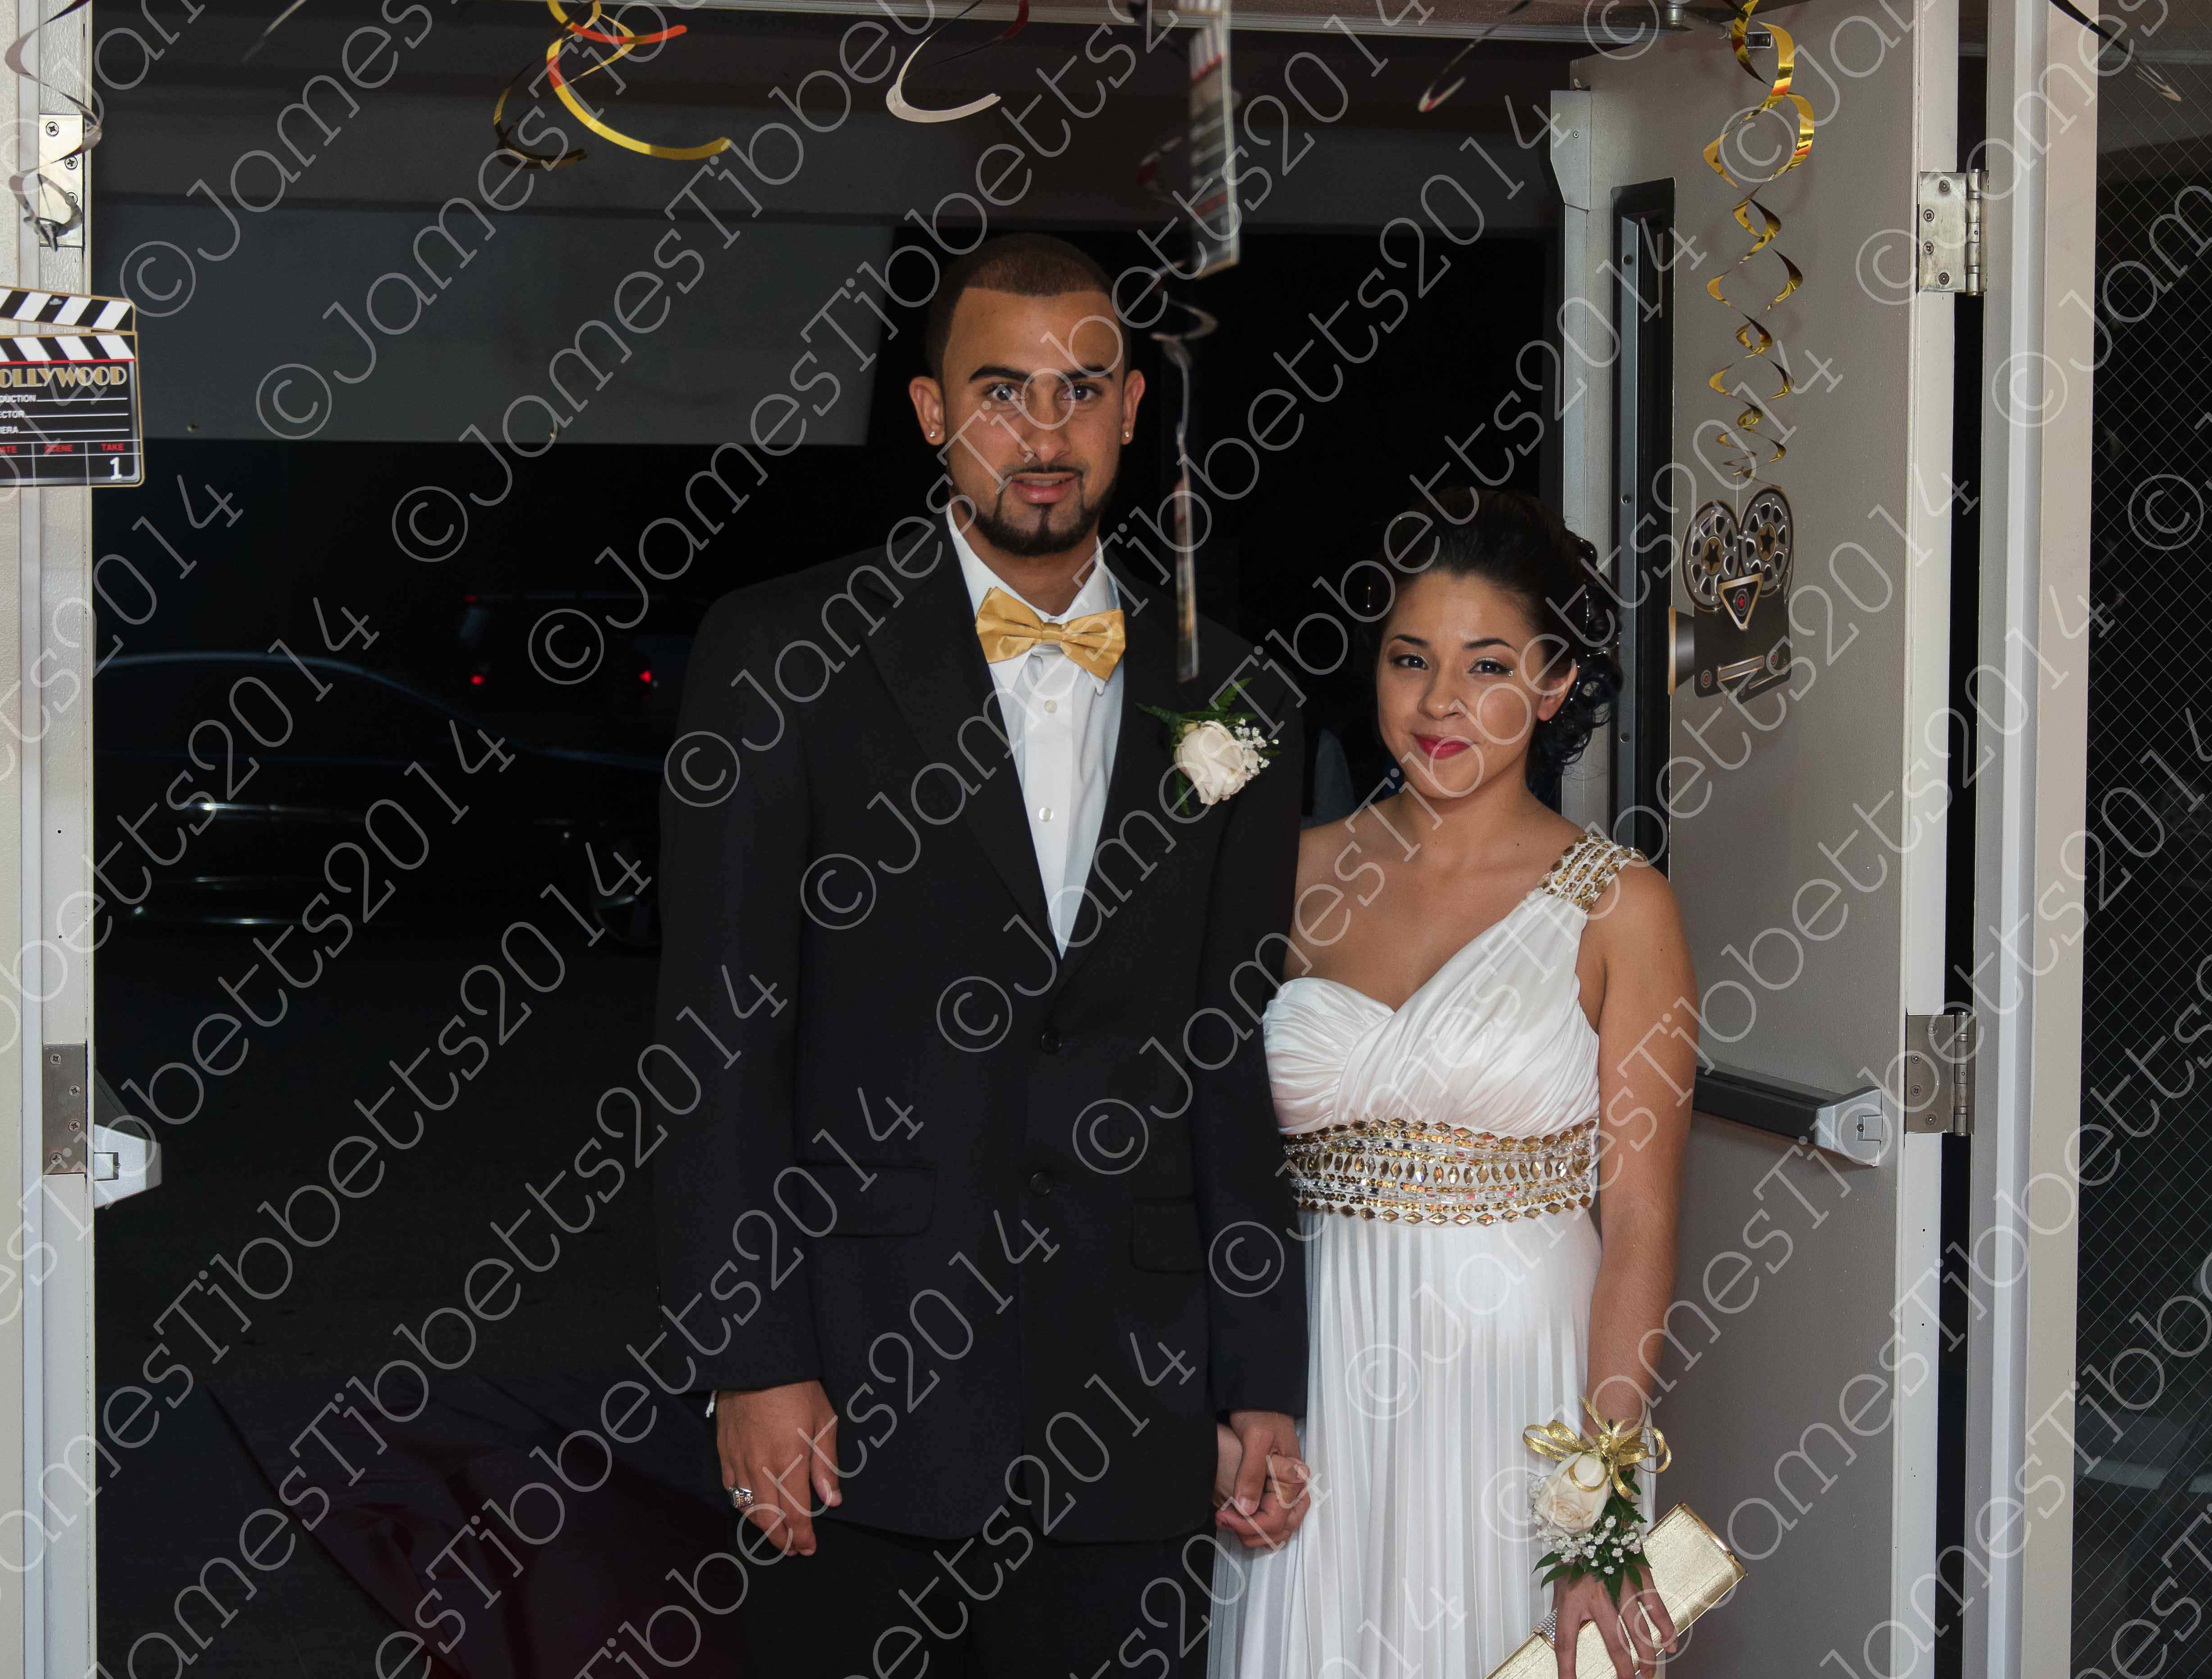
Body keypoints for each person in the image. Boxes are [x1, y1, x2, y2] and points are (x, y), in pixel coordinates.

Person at [651, 234, 1313, 1675]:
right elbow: (716, 1043)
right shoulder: (780, 653)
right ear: (932, 413)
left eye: (1080, 390)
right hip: (860, 1379)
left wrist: (1261, 1374)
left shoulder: (1241, 692)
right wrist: (752, 1359)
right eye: (1002, 391)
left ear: (1132, 408)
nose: (1044, 432)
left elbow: (1230, 1051)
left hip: (1141, 1391)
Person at [1209, 490, 1700, 1679]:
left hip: (1518, 1390)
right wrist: (1224, 1401)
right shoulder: (1283, 875)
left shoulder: (1621, 905)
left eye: (1487, 667)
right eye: (1409, 659)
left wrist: (1601, 1504)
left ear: (1554, 683)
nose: (1439, 703)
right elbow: (1207, 1158)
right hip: (1314, 1379)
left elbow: (1640, 1222)